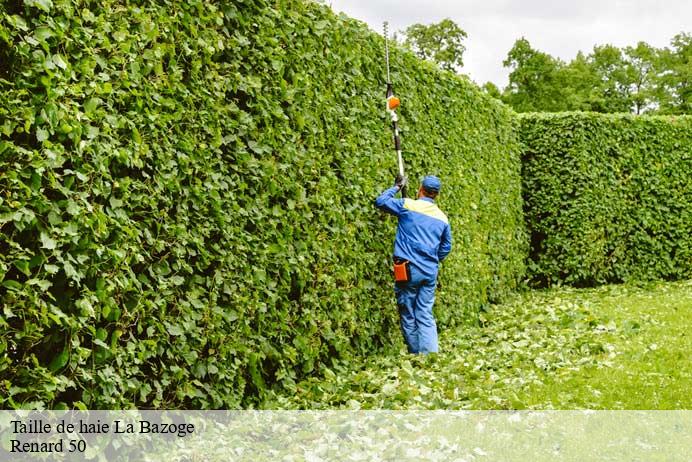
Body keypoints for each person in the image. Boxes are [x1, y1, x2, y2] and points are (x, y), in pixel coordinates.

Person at [375, 174, 453, 354]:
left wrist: (396, 186)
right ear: (436, 195)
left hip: (407, 269)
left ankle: (417, 355)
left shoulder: (407, 205)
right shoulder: (442, 218)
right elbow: (446, 247)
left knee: (407, 311)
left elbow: (380, 201)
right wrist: (432, 259)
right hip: (429, 272)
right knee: (425, 312)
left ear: (420, 190)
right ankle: (430, 356)